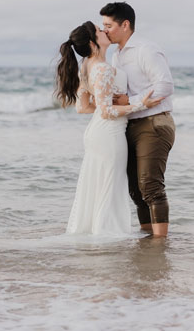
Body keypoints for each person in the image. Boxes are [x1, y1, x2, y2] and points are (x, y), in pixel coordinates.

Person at [55, 21, 163, 235]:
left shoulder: (86, 66)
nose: (103, 31)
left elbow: (83, 107)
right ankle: (107, 235)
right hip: (109, 134)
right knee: (110, 187)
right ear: (93, 43)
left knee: (99, 185)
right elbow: (106, 112)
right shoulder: (102, 68)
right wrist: (140, 105)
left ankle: (97, 232)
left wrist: (107, 102)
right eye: (98, 30)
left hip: (97, 133)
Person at [100, 3, 175, 238]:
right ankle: (147, 237)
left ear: (125, 25)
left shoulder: (146, 49)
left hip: (153, 123)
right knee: (135, 189)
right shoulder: (117, 53)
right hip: (130, 124)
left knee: (150, 185)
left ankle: (160, 243)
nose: (105, 31)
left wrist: (128, 100)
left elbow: (165, 86)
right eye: (103, 26)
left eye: (109, 26)